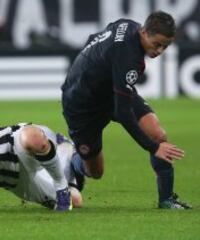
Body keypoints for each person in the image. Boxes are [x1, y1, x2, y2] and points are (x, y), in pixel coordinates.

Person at [61, 11, 191, 209]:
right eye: (157, 44)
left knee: (157, 133)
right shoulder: (128, 57)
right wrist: (153, 148)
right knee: (95, 172)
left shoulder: (127, 25)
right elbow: (123, 112)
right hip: (82, 105)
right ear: (144, 32)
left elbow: (93, 38)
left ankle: (167, 200)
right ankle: (73, 159)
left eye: (165, 46)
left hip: (113, 89)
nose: (160, 51)